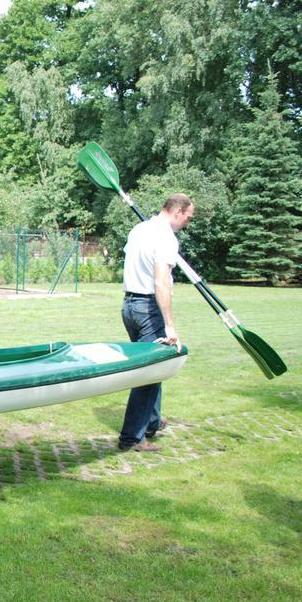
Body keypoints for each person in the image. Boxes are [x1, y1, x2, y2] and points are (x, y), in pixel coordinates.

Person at [117, 193, 194, 452]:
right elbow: (161, 281)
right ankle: (133, 438)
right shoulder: (166, 238)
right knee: (149, 374)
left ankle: (151, 422)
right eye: (188, 218)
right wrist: (170, 324)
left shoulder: (139, 229)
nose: (187, 223)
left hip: (129, 306)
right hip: (148, 308)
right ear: (178, 211)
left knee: (155, 367)